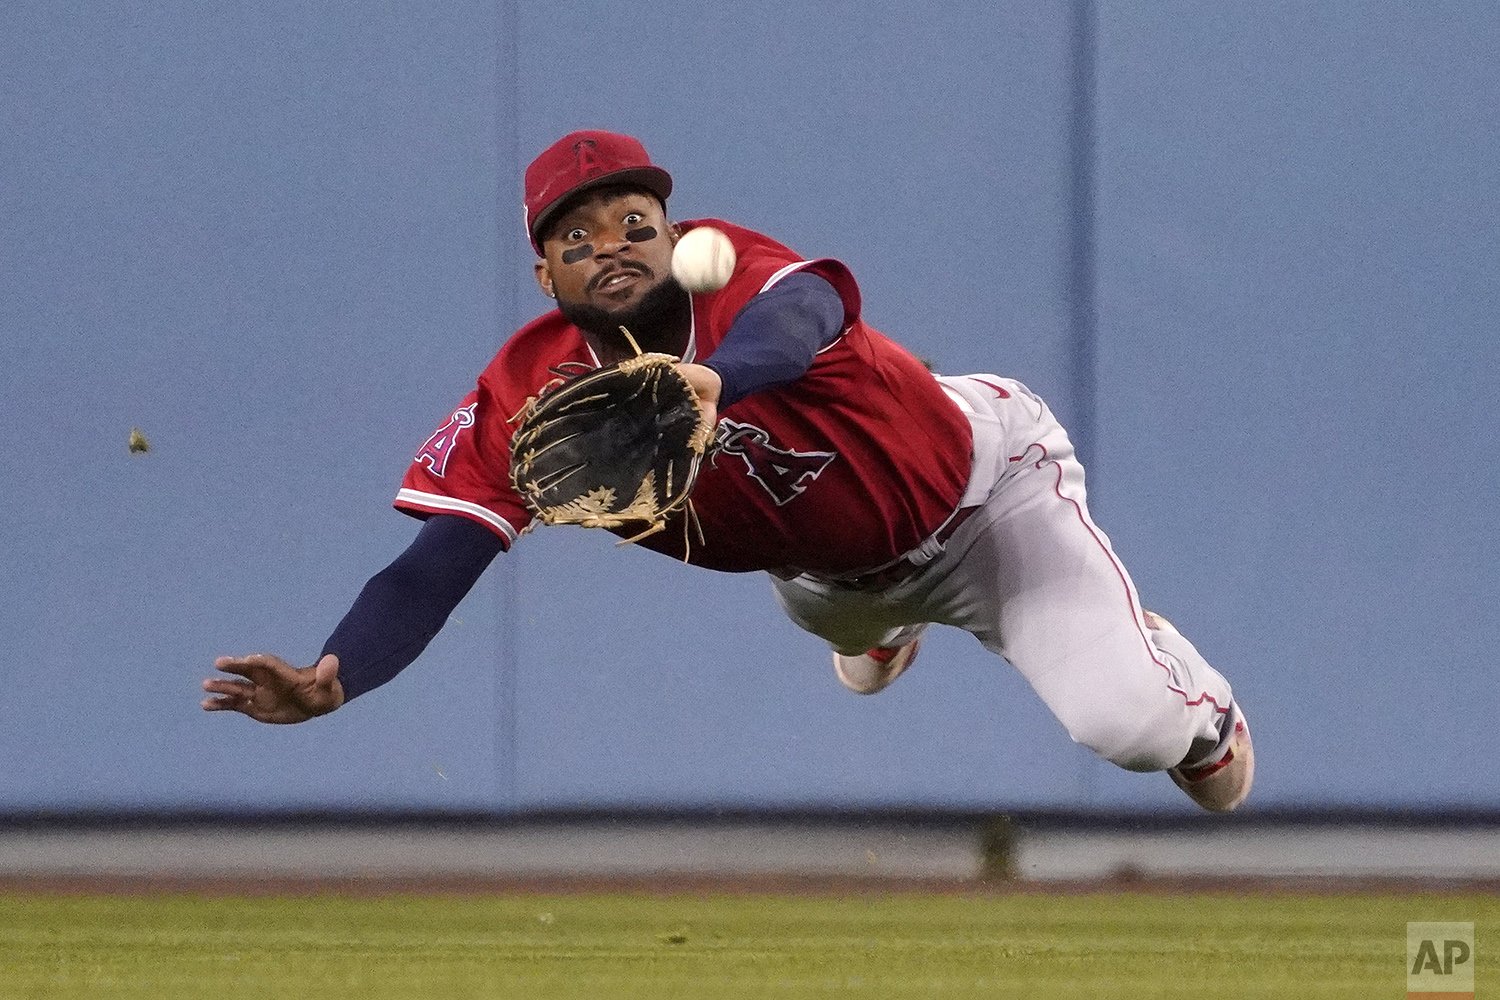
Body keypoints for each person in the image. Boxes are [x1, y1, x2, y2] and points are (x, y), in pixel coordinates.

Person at [202, 130, 1253, 812]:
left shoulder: (735, 266)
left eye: (631, 222)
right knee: (843, 613)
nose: (609, 244)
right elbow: (435, 564)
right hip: (819, 575)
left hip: (985, 497)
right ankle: (887, 626)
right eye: (576, 236)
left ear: (670, 230)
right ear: (543, 272)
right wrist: (340, 671)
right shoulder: (528, 392)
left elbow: (809, 316)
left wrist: (719, 377)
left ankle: (1196, 704)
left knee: (1145, 741)